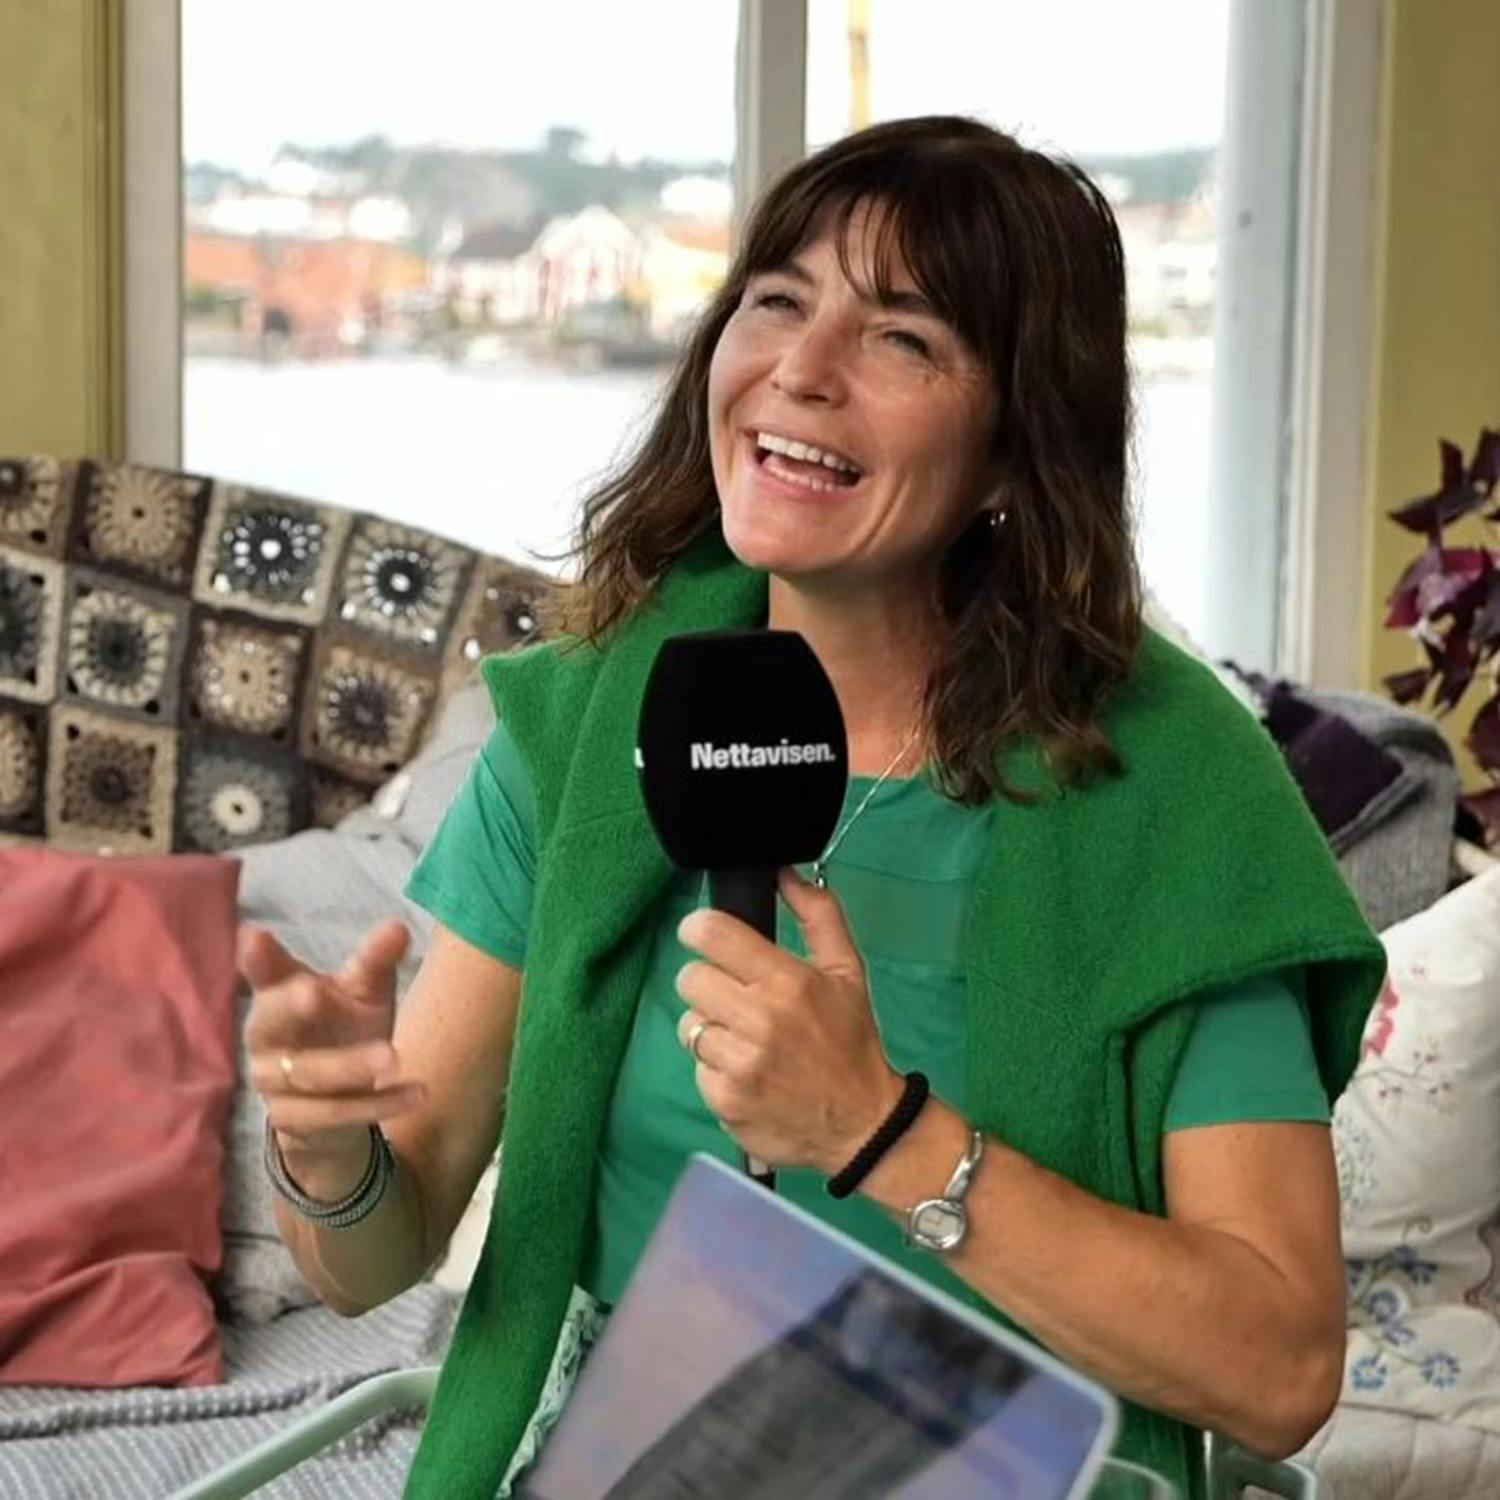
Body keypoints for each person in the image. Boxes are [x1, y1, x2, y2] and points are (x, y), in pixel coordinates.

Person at [239, 115, 1384, 1500]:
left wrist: (875, 1131)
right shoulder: (582, 732)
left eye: (902, 337)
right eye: (778, 301)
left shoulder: (1178, 796)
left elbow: (1279, 1373)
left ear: (1018, 449)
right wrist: (328, 1150)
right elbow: (373, 1257)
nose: (801, 368)